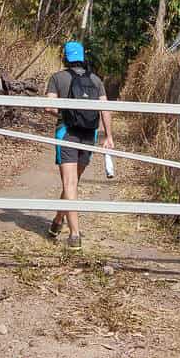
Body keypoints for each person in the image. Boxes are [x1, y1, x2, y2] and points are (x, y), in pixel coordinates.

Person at [45, 40, 114, 250]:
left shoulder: (57, 78)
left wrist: (67, 114)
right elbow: (105, 109)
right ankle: (58, 221)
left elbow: (48, 106)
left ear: (65, 57)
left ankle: (74, 235)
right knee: (73, 183)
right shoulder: (96, 80)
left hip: (67, 133)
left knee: (70, 184)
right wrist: (108, 136)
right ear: (83, 57)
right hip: (89, 135)